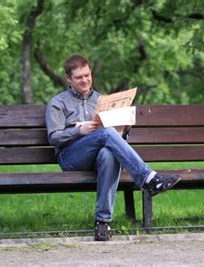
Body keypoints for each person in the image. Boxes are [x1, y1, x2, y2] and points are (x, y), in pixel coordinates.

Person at [45, 55, 181, 241]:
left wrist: (123, 129)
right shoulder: (58, 103)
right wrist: (79, 130)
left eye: (87, 75)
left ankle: (102, 222)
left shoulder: (102, 100)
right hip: (71, 158)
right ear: (69, 79)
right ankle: (148, 179)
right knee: (106, 133)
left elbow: (115, 137)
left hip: (99, 155)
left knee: (109, 154)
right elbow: (53, 137)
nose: (85, 80)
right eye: (79, 77)